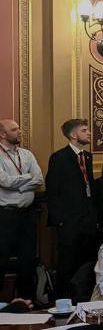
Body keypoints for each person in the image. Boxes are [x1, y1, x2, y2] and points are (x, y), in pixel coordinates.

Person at [46, 118, 97, 294]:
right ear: (73, 135)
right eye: (84, 130)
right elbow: (52, 191)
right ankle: (63, 297)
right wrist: (60, 220)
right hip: (69, 221)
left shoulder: (87, 156)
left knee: (86, 261)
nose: (89, 133)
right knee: (67, 263)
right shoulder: (59, 157)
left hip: (87, 219)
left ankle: (82, 295)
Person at [0, 119, 43, 300]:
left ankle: (27, 301)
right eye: (14, 129)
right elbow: (5, 181)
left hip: (27, 214)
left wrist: (18, 184)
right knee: (1, 259)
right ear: (2, 134)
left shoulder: (26, 154)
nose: (20, 131)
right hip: (5, 215)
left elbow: (39, 179)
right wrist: (27, 179)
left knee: (27, 260)